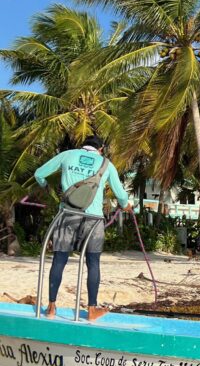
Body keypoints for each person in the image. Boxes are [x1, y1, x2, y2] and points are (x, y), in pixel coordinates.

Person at [34, 135, 132, 321]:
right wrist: (126, 205)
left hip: (67, 214)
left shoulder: (67, 155)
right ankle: (92, 311)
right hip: (93, 219)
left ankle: (51, 308)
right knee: (93, 263)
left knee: (59, 258)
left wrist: (46, 187)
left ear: (83, 145)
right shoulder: (106, 164)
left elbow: (39, 173)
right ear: (100, 149)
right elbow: (121, 195)